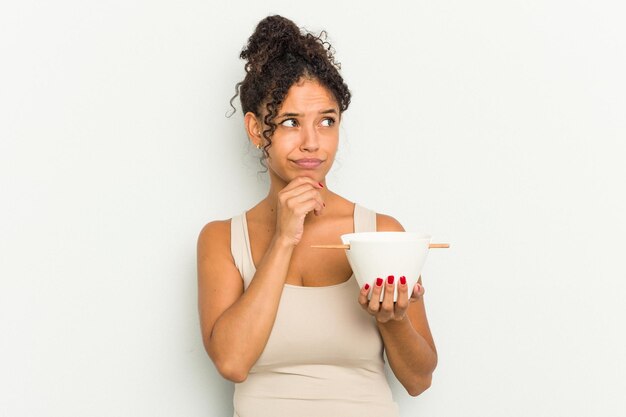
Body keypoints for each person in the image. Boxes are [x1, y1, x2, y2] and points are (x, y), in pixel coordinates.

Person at [197, 15, 437, 417]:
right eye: (291, 122)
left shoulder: (381, 233)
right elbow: (232, 362)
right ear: (256, 130)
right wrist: (284, 238)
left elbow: (419, 380)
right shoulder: (222, 239)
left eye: (327, 121)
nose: (312, 143)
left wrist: (393, 320)